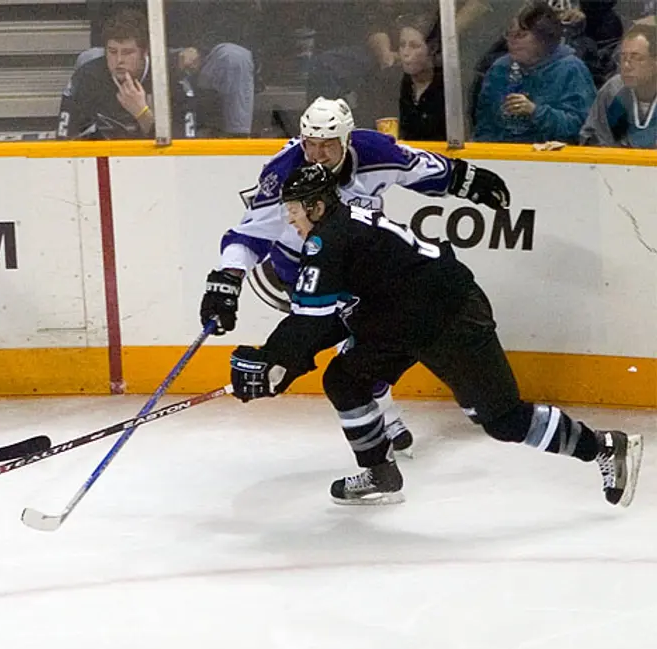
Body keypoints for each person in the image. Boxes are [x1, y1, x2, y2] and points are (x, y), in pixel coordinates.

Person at [229, 164, 642, 507]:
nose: (290, 221)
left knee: (503, 419)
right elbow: (334, 318)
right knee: (344, 377)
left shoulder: (328, 241)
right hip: (399, 317)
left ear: (316, 206)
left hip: (450, 316)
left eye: (295, 212)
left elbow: (313, 322)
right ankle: (379, 472)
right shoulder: (340, 227)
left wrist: (274, 360)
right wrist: (279, 362)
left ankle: (604, 446)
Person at [200, 96, 511, 453]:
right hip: (302, 270)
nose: (316, 155)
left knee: (366, 343)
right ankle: (384, 418)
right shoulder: (284, 172)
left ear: (347, 140)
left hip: (358, 270)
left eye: (327, 146)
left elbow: (422, 169)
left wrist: (467, 180)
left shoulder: (374, 151)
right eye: (310, 144)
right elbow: (249, 233)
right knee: (350, 345)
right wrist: (228, 280)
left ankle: (385, 413)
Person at [57, 7, 254, 139]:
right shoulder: (87, 74)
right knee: (88, 57)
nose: (119, 61)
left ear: (144, 53)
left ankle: (239, 143)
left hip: (192, 55)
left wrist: (142, 113)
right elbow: (64, 141)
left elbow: (180, 153)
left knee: (235, 58)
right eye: (113, 52)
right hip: (110, 163)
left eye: (127, 53)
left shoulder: (175, 81)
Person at [473, 1, 596, 143]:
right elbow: (484, 123)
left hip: (554, 158)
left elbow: (581, 127)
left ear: (543, 38)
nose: (511, 41)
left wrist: (535, 112)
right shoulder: (500, 69)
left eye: (521, 35)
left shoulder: (571, 70)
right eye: (509, 34)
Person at [580, 24, 657, 146]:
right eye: (623, 57)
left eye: (636, 58)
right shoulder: (613, 89)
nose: (626, 66)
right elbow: (591, 136)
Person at [397, 16, 446, 140]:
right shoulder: (394, 84)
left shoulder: (448, 87)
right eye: (402, 45)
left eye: (414, 46)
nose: (405, 53)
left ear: (432, 49)